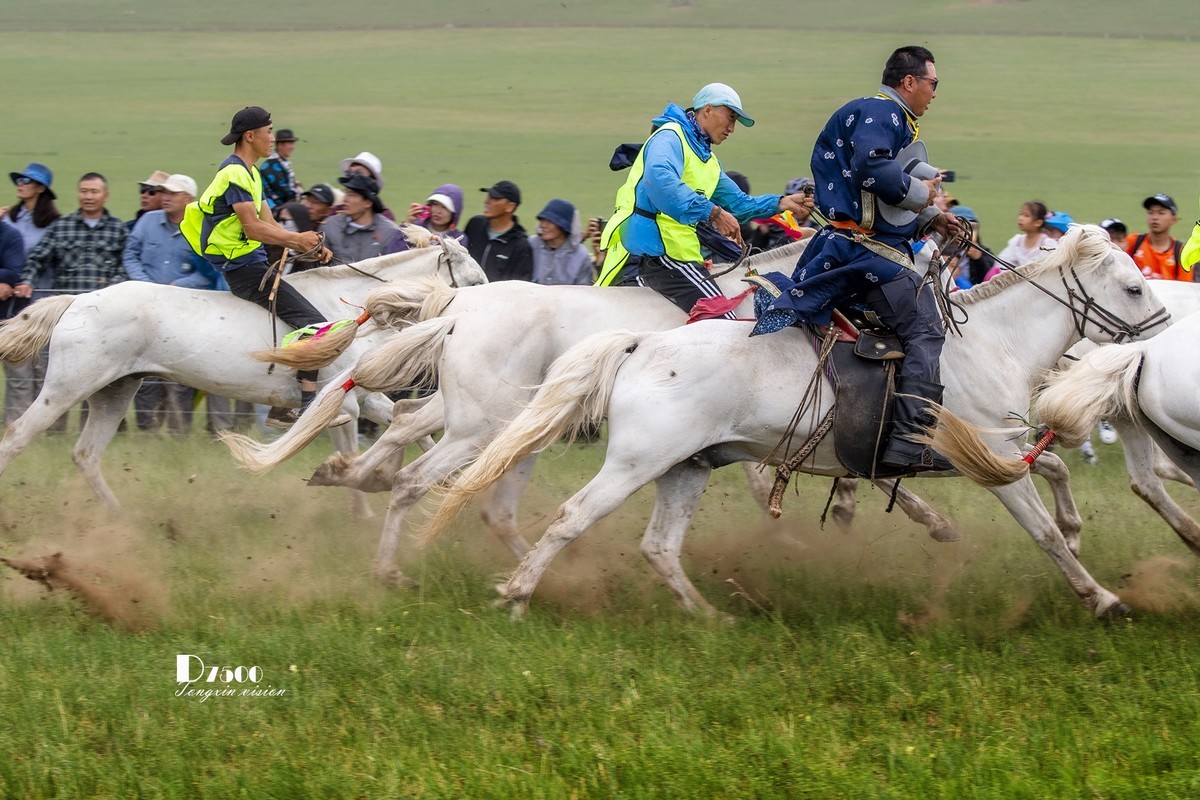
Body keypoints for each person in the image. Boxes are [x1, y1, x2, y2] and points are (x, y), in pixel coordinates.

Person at [753, 46, 963, 472]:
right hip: (865, 252)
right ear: (909, 82)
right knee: (926, 331)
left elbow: (879, 200)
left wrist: (931, 219)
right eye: (933, 83)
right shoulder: (882, 113)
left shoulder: (883, 116)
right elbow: (874, 171)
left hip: (856, 245)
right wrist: (927, 198)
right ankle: (909, 443)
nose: (935, 93)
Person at [181, 105, 346, 430]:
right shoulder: (233, 174)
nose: (274, 138)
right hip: (242, 268)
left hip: (253, 262)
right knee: (315, 324)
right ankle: (304, 407)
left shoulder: (252, 174)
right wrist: (296, 238)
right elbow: (254, 229)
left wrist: (306, 247)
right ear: (250, 135)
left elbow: (269, 223)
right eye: (269, 132)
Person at [598, 83, 811, 314]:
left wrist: (781, 203)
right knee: (723, 318)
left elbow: (738, 203)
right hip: (656, 250)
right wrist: (714, 213)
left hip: (679, 253)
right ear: (707, 110)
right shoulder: (670, 136)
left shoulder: (708, 160)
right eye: (729, 117)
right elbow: (660, 182)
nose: (732, 128)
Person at [123, 173, 206, 434]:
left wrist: (180, 286)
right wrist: (144, 283)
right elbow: (130, 254)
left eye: (173, 193)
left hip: (183, 313)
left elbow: (207, 272)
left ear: (189, 199)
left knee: (181, 375)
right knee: (144, 375)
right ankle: (148, 433)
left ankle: (178, 433)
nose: (166, 197)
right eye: (164, 192)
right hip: (145, 310)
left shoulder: (200, 227)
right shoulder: (147, 221)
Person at [1, 163, 61, 425]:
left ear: (40, 188)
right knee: (20, 367)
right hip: (13, 301)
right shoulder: (8, 219)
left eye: (27, 181)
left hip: (41, 297)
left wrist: (24, 278)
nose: (21, 183)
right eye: (20, 179)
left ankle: (39, 424)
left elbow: (48, 258)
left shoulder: (53, 224)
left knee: (43, 368)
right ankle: (17, 423)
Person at [319, 174, 400, 263]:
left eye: (352, 195)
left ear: (368, 203)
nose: (345, 199)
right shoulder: (329, 226)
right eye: (346, 192)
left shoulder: (389, 232)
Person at [463, 180, 533, 281]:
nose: (486, 201)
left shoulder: (520, 245)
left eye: (495, 198)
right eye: (489, 196)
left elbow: (519, 288)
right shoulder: (475, 225)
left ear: (510, 207)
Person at [528, 198, 593, 285]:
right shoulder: (531, 245)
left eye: (550, 221)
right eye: (542, 220)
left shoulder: (581, 255)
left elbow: (584, 290)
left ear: (564, 226)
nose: (543, 225)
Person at [748, 177, 819, 253]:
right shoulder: (772, 226)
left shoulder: (816, 233)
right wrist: (761, 234)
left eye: (800, 201)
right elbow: (750, 256)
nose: (793, 205)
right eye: (791, 199)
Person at [1126, 193, 1186, 281]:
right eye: (1151, 212)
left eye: (1161, 213)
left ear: (1173, 219)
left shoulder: (1181, 252)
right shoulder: (1133, 242)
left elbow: (1186, 288)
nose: (1154, 217)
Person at [394, 184, 467, 247]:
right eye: (435, 204)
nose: (438, 211)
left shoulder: (459, 239)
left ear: (454, 213)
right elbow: (393, 255)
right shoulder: (415, 228)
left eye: (445, 207)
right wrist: (407, 226)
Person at [339, 152, 395, 220]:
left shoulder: (385, 216)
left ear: (372, 180)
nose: (353, 177)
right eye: (349, 173)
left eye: (359, 173)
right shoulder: (337, 211)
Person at [260, 128, 300, 211]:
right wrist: (299, 192)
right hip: (273, 210)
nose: (293, 147)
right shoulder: (272, 166)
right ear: (280, 145)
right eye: (290, 143)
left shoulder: (280, 162)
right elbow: (284, 192)